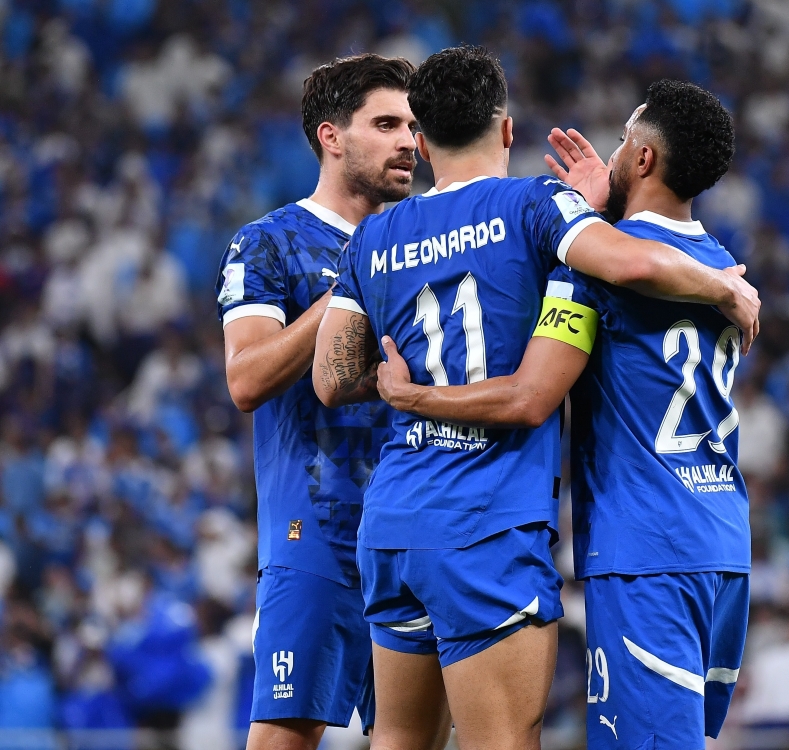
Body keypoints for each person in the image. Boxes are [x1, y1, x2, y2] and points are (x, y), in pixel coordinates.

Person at [312, 47, 759, 750]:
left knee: (397, 740)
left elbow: (331, 377)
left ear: (422, 141)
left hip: (395, 521)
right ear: (509, 130)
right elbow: (625, 266)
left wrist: (398, 385)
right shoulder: (536, 209)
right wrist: (724, 285)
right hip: (491, 529)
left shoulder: (373, 236)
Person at [215, 55, 450, 750]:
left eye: (413, 125)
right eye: (386, 124)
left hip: (417, 529)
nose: (409, 140)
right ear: (331, 136)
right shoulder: (268, 243)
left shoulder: (429, 241)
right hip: (315, 532)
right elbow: (246, 380)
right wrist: (351, 283)